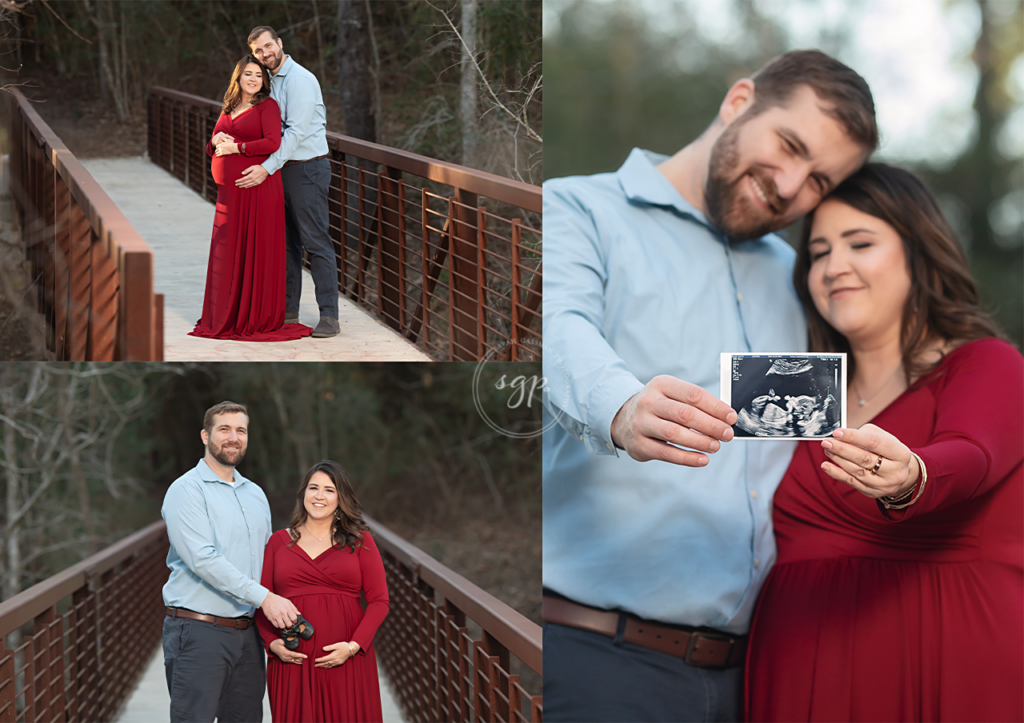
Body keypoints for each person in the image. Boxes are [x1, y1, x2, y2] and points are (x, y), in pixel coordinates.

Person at [541, 50, 878, 721]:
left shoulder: (801, 278)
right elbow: (560, 332)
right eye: (788, 145)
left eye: (818, 180)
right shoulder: (580, 209)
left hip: (755, 678)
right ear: (738, 100)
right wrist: (622, 405)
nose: (789, 186)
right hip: (599, 661)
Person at [745, 163, 1024, 722]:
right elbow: (710, 478)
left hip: (938, 665)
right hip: (796, 674)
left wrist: (913, 476)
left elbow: (970, 453)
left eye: (860, 242)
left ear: (918, 251)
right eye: (818, 252)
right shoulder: (795, 382)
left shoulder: (986, 361)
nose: (833, 266)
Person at [161, 401, 301, 723]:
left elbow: (269, 560)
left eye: (241, 430)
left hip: (249, 634)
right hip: (198, 632)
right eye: (224, 429)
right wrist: (266, 599)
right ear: (205, 435)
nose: (233, 437)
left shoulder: (255, 494)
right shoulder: (186, 490)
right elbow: (203, 559)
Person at [256, 460, 390, 722]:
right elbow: (262, 599)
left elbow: (379, 601)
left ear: (341, 498)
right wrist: (272, 644)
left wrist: (354, 647)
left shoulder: (360, 541)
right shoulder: (278, 541)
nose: (319, 496)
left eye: (329, 490)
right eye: (313, 487)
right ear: (303, 493)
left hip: (347, 657)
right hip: (292, 659)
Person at [190, 56, 312, 342]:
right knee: (230, 250)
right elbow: (212, 145)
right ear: (238, 77)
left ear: (263, 80)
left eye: (259, 74)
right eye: (248, 74)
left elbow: (273, 142)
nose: (254, 79)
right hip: (229, 195)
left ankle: (254, 314)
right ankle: (228, 311)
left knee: (255, 248)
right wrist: (215, 143)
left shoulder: (267, 106)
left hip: (258, 189)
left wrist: (237, 148)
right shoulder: (230, 106)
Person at [239, 26, 340, 339]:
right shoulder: (271, 81)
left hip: (307, 169)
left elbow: (295, 134)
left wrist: (265, 168)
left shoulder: (299, 79)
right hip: (284, 169)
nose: (266, 53)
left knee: (315, 241)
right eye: (259, 50)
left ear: (279, 43)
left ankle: (329, 317)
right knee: (287, 244)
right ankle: (288, 310)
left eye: (269, 46)